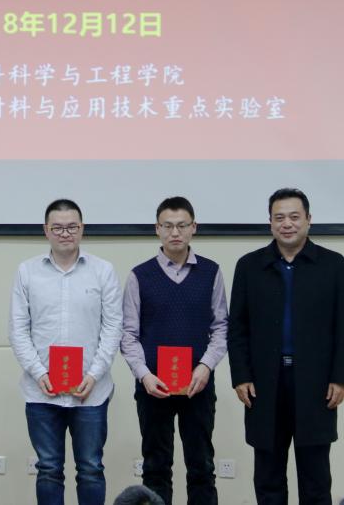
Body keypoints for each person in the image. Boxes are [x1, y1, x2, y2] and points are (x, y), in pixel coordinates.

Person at [227, 188, 344, 505]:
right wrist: (241, 376)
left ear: (309, 220)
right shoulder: (249, 266)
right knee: (268, 477)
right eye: (279, 218)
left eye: (294, 217)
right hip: (264, 385)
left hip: (316, 385)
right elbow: (237, 328)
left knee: (316, 478)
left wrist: (340, 378)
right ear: (270, 223)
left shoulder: (333, 265)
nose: (287, 224)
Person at [8, 199, 123, 505]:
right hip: (41, 391)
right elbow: (18, 330)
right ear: (46, 230)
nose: (65, 233)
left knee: (91, 469)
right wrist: (39, 373)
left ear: (82, 229)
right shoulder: (27, 271)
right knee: (48, 469)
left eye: (72, 227)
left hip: (91, 391)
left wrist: (94, 374)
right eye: (57, 227)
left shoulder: (103, 271)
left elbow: (113, 327)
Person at [121, 196, 228, 505]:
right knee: (155, 467)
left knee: (202, 467)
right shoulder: (139, 276)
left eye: (182, 225)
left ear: (194, 227)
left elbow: (221, 327)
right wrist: (144, 375)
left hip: (198, 385)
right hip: (153, 387)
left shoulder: (211, 272)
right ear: (157, 229)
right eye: (167, 226)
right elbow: (128, 334)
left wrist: (205, 366)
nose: (175, 232)